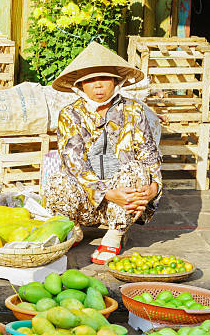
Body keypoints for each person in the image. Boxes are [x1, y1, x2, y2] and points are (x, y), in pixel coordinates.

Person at [45, 41, 162, 265]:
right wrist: (107, 194)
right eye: (90, 80)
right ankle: (74, 229)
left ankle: (115, 234)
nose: (98, 86)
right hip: (86, 200)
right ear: (80, 85)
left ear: (117, 82)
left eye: (104, 79)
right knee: (57, 181)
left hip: (125, 200)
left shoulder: (134, 111)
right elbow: (75, 165)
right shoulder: (70, 115)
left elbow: (149, 156)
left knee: (137, 171)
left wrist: (151, 189)